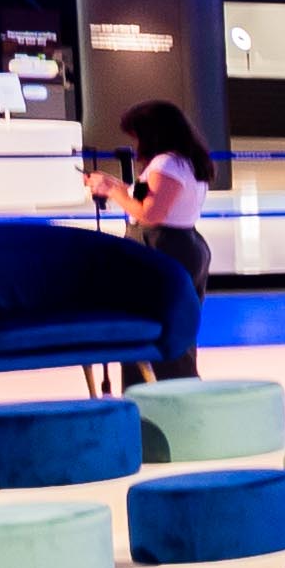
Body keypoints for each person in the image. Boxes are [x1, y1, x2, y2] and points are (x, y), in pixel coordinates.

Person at [108, 102, 221, 378]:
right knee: (177, 323)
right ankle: (175, 387)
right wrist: (121, 189)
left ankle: (153, 389)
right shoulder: (187, 161)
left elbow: (151, 214)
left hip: (161, 247)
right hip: (181, 245)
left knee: (151, 324)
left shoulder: (167, 163)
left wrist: (113, 192)